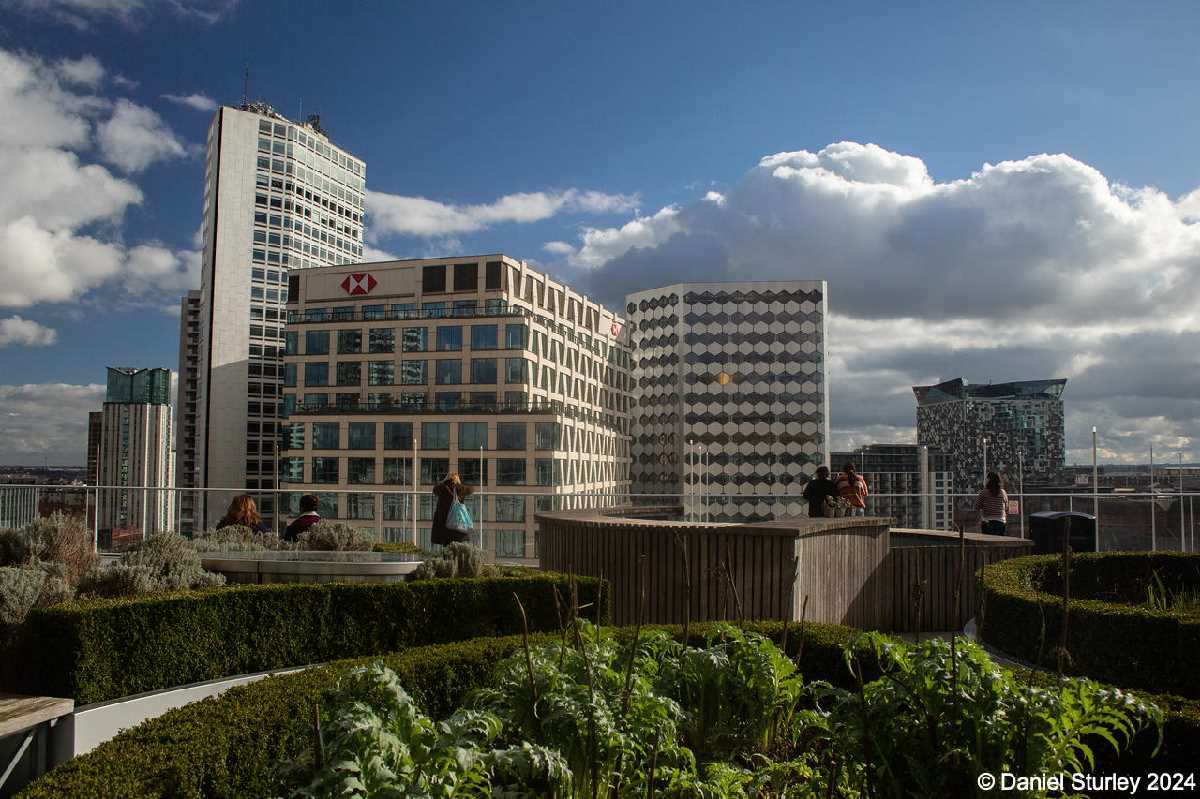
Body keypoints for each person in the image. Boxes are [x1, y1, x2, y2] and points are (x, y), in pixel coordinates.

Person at [431, 472, 474, 546]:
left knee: (446, 549)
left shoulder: (443, 488)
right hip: (458, 525)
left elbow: (435, 489)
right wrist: (459, 483)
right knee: (458, 549)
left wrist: (444, 480)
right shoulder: (460, 488)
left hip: (445, 526)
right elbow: (471, 490)